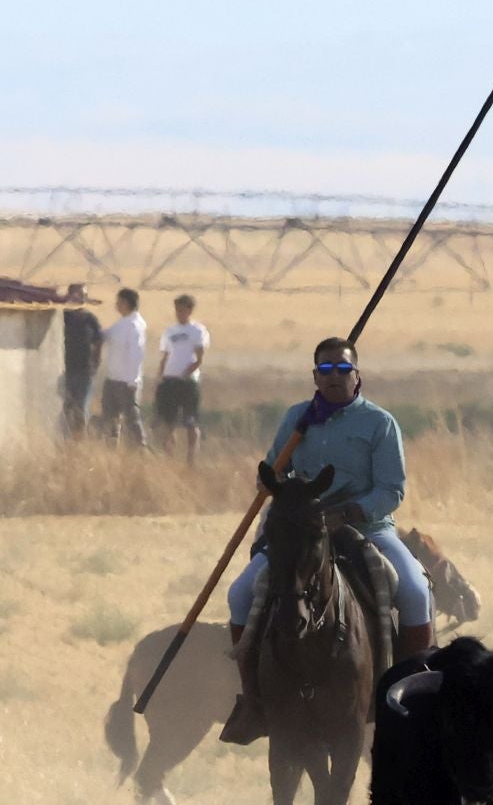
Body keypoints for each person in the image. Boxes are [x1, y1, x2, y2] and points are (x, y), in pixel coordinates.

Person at [220, 337, 435, 744]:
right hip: (302, 531)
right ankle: (254, 701)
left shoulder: (380, 423)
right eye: (327, 370)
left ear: (358, 376)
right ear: (315, 376)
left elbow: (392, 490)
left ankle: (410, 700)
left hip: (366, 527)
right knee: (239, 593)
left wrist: (348, 512)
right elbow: (273, 470)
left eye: (343, 369)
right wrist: (279, 492)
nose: (335, 377)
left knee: (414, 590)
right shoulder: (297, 418)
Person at [154, 293, 209, 464]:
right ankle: (169, 456)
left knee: (190, 421)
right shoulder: (170, 331)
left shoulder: (197, 330)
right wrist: (160, 377)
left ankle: (191, 458)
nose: (178, 313)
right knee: (167, 422)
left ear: (189, 310)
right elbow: (165, 356)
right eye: (176, 310)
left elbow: (199, 358)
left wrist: (186, 374)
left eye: (182, 310)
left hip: (187, 382)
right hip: (169, 381)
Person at [97, 287, 147, 448]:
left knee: (131, 419)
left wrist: (132, 380)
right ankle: (111, 449)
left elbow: (136, 354)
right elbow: (106, 335)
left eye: (118, 302)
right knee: (110, 419)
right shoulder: (121, 323)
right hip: (113, 378)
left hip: (127, 382)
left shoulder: (134, 325)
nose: (116, 305)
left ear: (125, 303)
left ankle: (140, 450)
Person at [60, 304, 102, 437]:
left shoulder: (91, 320)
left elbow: (98, 342)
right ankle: (65, 440)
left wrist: (95, 363)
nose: (79, 299)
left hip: (85, 372)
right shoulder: (64, 317)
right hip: (66, 371)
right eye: (76, 294)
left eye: (82, 295)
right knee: (66, 408)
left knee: (81, 409)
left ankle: (79, 441)